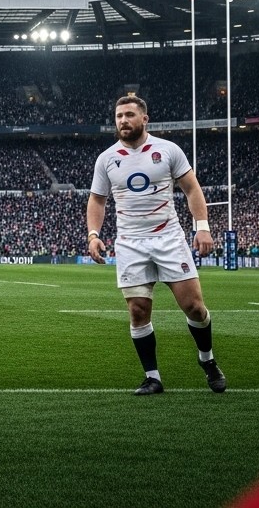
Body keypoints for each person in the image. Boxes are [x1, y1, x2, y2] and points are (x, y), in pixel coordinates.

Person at [87, 95, 227, 396]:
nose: (123, 121)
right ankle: (152, 377)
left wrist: (202, 228)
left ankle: (208, 360)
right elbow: (97, 199)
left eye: (129, 115)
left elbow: (192, 189)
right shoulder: (107, 158)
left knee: (194, 307)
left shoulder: (167, 150)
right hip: (130, 243)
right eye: (118, 116)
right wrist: (93, 234)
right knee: (138, 311)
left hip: (169, 238)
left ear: (144, 119)